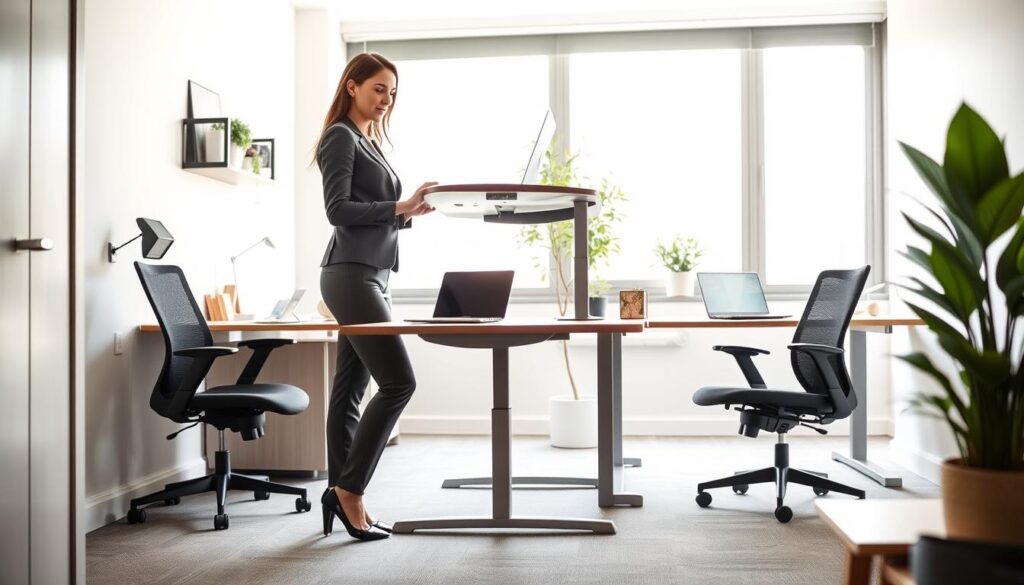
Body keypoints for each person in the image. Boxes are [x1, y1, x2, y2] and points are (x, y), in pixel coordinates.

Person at [315, 52, 436, 541]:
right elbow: (337, 209)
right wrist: (397, 205)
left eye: (391, 92)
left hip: (370, 273)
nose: (386, 99)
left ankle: (339, 491)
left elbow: (374, 210)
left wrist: (408, 214)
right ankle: (351, 490)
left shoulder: (368, 139)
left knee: (350, 390)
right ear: (352, 86)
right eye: (378, 89)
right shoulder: (340, 137)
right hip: (350, 275)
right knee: (399, 383)